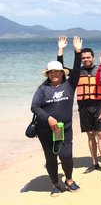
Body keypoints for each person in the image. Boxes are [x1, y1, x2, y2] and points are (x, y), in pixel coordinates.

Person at [31, 36, 83, 197]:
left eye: (57, 71)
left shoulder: (69, 85)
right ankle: (55, 184)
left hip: (64, 128)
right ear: (47, 74)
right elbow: (34, 107)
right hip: (45, 129)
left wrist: (77, 51)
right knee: (51, 158)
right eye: (51, 72)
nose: (54, 74)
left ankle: (69, 179)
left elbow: (76, 68)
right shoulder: (42, 89)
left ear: (62, 73)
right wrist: (49, 118)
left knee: (66, 156)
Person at [56, 37, 101, 177]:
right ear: (81, 59)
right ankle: (94, 163)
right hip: (84, 108)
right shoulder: (76, 73)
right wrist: (61, 49)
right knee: (90, 135)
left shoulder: (100, 71)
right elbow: (59, 68)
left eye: (88, 57)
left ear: (93, 58)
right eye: (83, 58)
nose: (86, 60)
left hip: (98, 106)